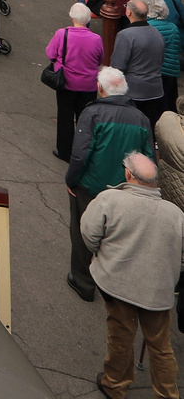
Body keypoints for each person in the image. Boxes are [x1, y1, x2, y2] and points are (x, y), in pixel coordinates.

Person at [80, 151, 183, 398]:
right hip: (158, 292)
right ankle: (168, 395)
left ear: (128, 174)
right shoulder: (177, 215)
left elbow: (89, 236)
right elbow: (182, 259)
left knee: (121, 338)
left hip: (118, 285)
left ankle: (114, 385)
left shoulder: (109, 200)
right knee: (161, 346)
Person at [66, 67, 155, 302]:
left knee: (83, 231)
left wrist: (71, 180)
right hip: (125, 191)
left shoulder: (92, 114)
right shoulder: (141, 119)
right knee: (116, 237)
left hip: (91, 187)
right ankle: (111, 287)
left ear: (100, 88)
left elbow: (80, 154)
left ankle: (84, 283)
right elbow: (149, 159)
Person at [48, 4, 106, 161]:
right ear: (87, 20)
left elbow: (50, 53)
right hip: (88, 85)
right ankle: (84, 150)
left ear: (71, 17)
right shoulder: (96, 39)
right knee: (85, 118)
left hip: (66, 83)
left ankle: (64, 151)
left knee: (65, 116)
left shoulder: (62, 34)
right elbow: (100, 59)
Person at [113, 0, 168, 125]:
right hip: (155, 90)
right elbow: (161, 60)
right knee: (147, 128)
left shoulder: (125, 35)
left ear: (129, 12)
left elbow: (118, 67)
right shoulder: (157, 34)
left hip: (133, 92)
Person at [149, 0, 183, 117]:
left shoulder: (150, 28)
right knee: (169, 105)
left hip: (157, 71)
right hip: (171, 71)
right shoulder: (173, 27)